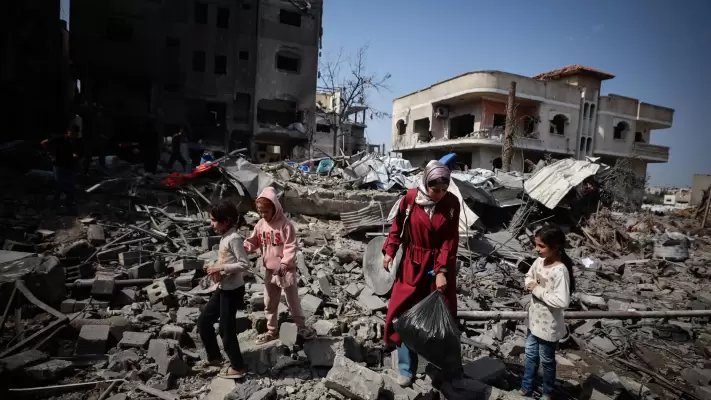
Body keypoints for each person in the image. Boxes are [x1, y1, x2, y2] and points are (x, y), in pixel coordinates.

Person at [382, 160, 460, 387]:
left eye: (444, 190)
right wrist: (390, 251)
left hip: (439, 265)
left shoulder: (451, 204)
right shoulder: (410, 199)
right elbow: (397, 227)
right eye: (436, 190)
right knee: (406, 314)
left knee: (440, 315)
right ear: (426, 183)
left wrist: (441, 271)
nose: (440, 195)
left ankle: (439, 367)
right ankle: (406, 368)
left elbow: (450, 240)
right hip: (412, 264)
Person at [244, 187, 315, 344]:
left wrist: (284, 263)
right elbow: (253, 241)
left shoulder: (285, 225)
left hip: (285, 270)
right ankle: (272, 331)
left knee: (292, 300)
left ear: (275, 208)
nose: (263, 215)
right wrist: (245, 247)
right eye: (260, 211)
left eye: (266, 211)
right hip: (270, 271)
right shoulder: (260, 225)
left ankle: (301, 327)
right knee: (269, 302)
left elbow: (291, 246)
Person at [516, 225, 575, 400]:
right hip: (534, 321)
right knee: (530, 355)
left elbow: (562, 301)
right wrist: (529, 283)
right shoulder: (538, 262)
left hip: (549, 326)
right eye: (536, 245)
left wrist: (536, 289)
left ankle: (547, 392)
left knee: (547, 361)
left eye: (541, 246)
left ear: (555, 247)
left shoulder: (560, 270)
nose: (537, 249)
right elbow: (529, 275)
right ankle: (527, 387)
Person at [197, 200, 249, 379]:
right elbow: (227, 260)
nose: (211, 223)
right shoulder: (224, 237)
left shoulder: (234, 238)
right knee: (204, 321)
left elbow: (244, 264)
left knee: (226, 329)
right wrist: (214, 266)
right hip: (223, 287)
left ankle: (238, 366)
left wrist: (221, 268)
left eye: (213, 220)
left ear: (225, 221)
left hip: (233, 291)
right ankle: (215, 357)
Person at [41, 127, 81, 214]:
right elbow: (44, 143)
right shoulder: (58, 139)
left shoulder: (71, 140)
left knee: (69, 185)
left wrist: (74, 156)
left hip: (68, 164)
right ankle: (57, 206)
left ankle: (67, 206)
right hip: (60, 165)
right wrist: (51, 154)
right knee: (61, 185)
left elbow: (75, 152)